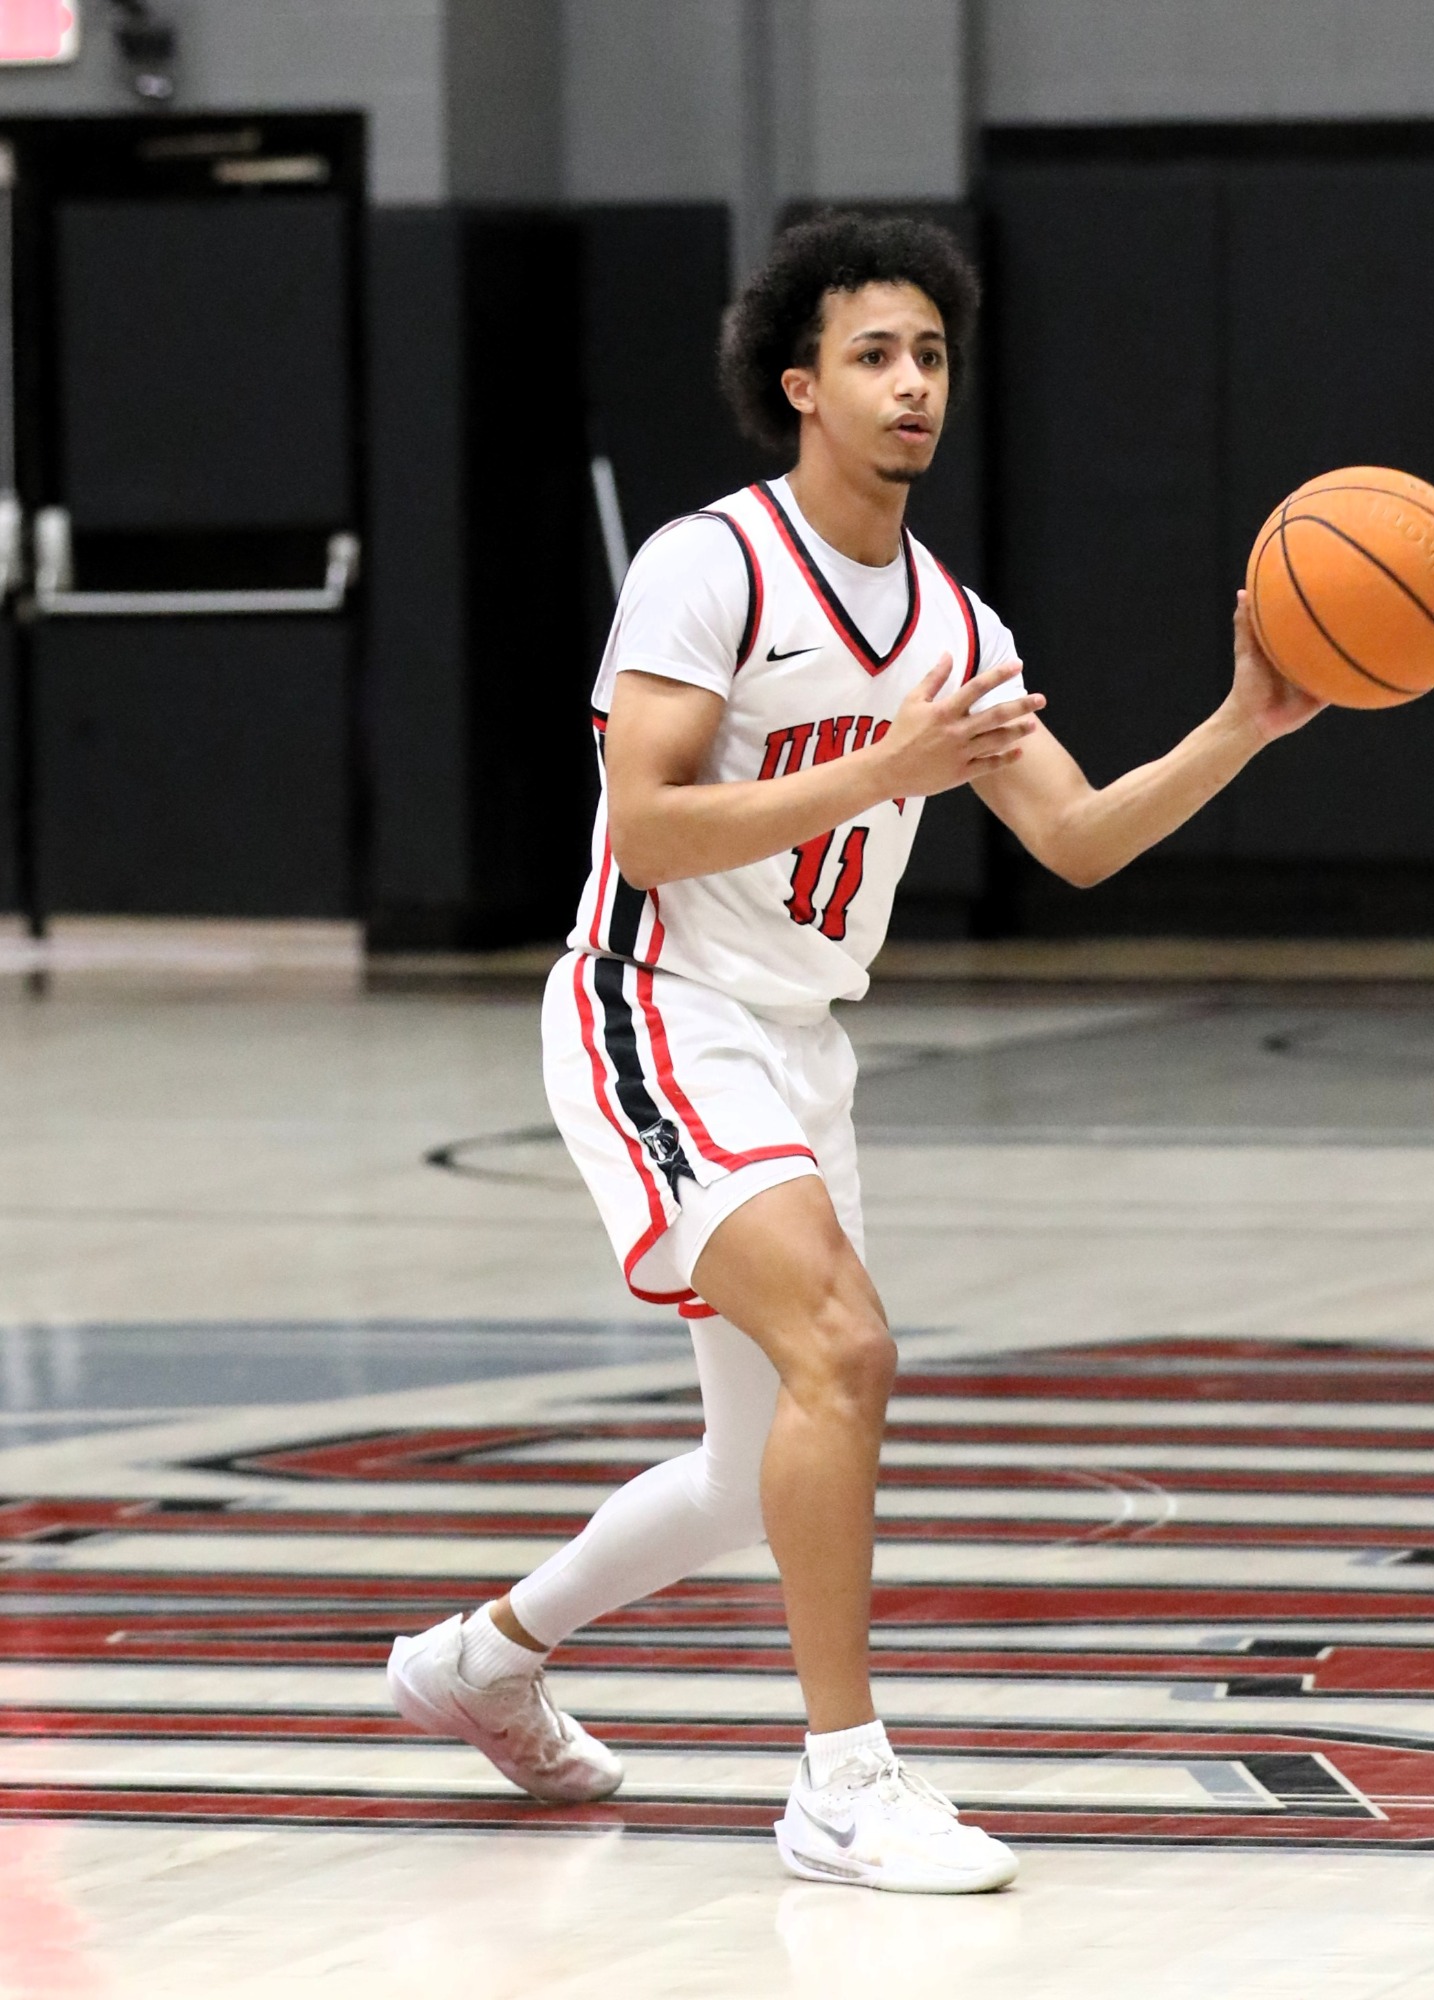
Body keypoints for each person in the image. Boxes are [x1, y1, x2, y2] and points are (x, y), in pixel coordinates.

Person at [387, 211, 1321, 1894]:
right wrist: (884, 765)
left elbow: (1083, 841)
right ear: (798, 383)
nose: (912, 386)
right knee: (849, 1349)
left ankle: (487, 1659)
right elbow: (650, 830)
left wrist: (1242, 720)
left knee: (753, 1481)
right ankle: (840, 1782)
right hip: (650, 998)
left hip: (797, 1042)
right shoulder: (711, 564)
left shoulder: (960, 626)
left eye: (933, 356)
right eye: (877, 354)